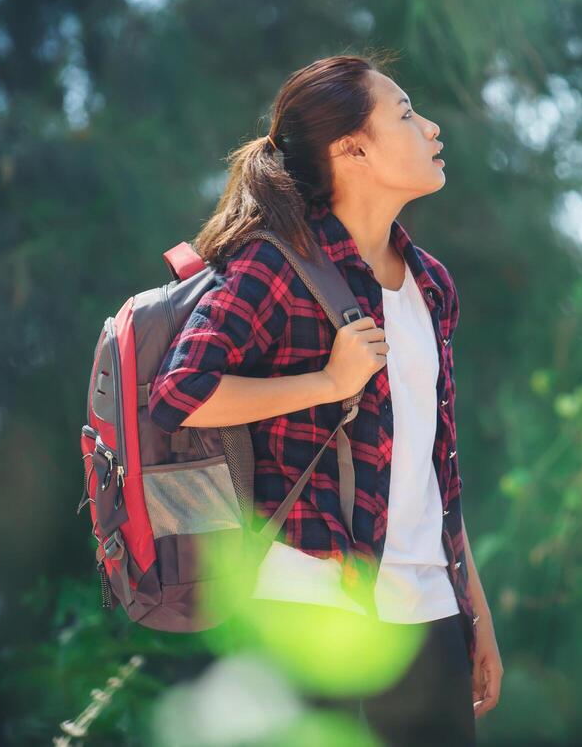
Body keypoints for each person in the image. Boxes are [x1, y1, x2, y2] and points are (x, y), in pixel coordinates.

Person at [146, 54, 502, 744]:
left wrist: (474, 615)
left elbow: (434, 469)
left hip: (428, 616)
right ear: (351, 148)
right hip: (310, 604)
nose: (430, 128)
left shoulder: (429, 284)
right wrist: (329, 384)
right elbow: (178, 393)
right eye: (404, 113)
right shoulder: (273, 263)